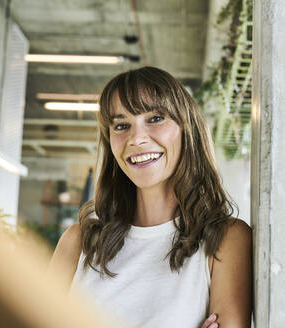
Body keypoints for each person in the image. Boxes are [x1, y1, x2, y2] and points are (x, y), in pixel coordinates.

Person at [48, 66, 252, 328]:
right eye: (122, 125)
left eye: (155, 119)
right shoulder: (78, 243)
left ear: (186, 129)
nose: (137, 139)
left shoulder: (225, 240)